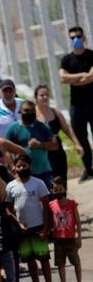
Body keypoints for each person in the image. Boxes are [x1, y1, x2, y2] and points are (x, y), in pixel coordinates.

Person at [6, 155, 55, 282]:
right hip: (22, 230)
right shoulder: (11, 186)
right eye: (19, 166)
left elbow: (47, 208)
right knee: (29, 260)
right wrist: (18, 224)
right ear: (15, 168)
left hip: (38, 227)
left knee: (43, 258)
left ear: (30, 167)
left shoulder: (38, 183)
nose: (21, 168)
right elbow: (8, 209)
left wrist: (46, 229)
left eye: (24, 166)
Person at [58, 26, 93, 182]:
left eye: (78, 36)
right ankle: (88, 169)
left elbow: (91, 76)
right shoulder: (67, 59)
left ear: (84, 37)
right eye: (72, 37)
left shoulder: (91, 55)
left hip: (92, 102)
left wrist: (74, 79)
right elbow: (63, 78)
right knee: (80, 137)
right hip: (76, 105)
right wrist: (82, 75)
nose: (75, 40)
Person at [47, 177, 84, 282]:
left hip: (71, 239)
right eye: (56, 190)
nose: (58, 192)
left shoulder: (72, 204)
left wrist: (79, 238)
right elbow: (49, 221)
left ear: (65, 189)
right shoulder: (51, 205)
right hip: (58, 240)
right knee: (60, 264)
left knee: (76, 262)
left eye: (60, 189)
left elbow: (78, 222)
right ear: (52, 191)